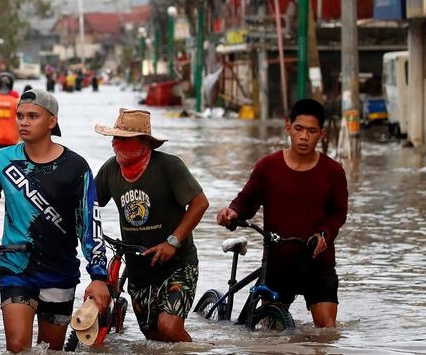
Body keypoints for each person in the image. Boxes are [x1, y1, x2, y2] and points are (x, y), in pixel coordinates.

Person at [0, 88, 110, 353]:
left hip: (60, 271)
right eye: (20, 115)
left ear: (52, 122)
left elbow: (89, 224)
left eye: (33, 116)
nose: (23, 122)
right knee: (17, 351)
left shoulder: (76, 167)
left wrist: (98, 275)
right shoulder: (2, 160)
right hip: (16, 266)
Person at [216, 98, 348, 328]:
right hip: (278, 261)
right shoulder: (268, 166)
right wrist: (232, 213)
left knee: (327, 333)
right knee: (271, 335)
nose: (304, 137)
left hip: (318, 262)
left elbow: (338, 213)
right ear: (288, 127)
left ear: (322, 134)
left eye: (311, 131)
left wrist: (325, 235)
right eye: (298, 129)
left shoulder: (333, 172)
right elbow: (247, 200)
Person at [94, 109, 208, 342]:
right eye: (114, 138)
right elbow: (89, 205)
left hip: (177, 263)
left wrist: (172, 242)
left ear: (145, 143)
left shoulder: (169, 166)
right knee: (154, 339)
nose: (116, 144)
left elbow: (199, 203)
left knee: (169, 329)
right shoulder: (110, 170)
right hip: (139, 268)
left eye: (124, 139)